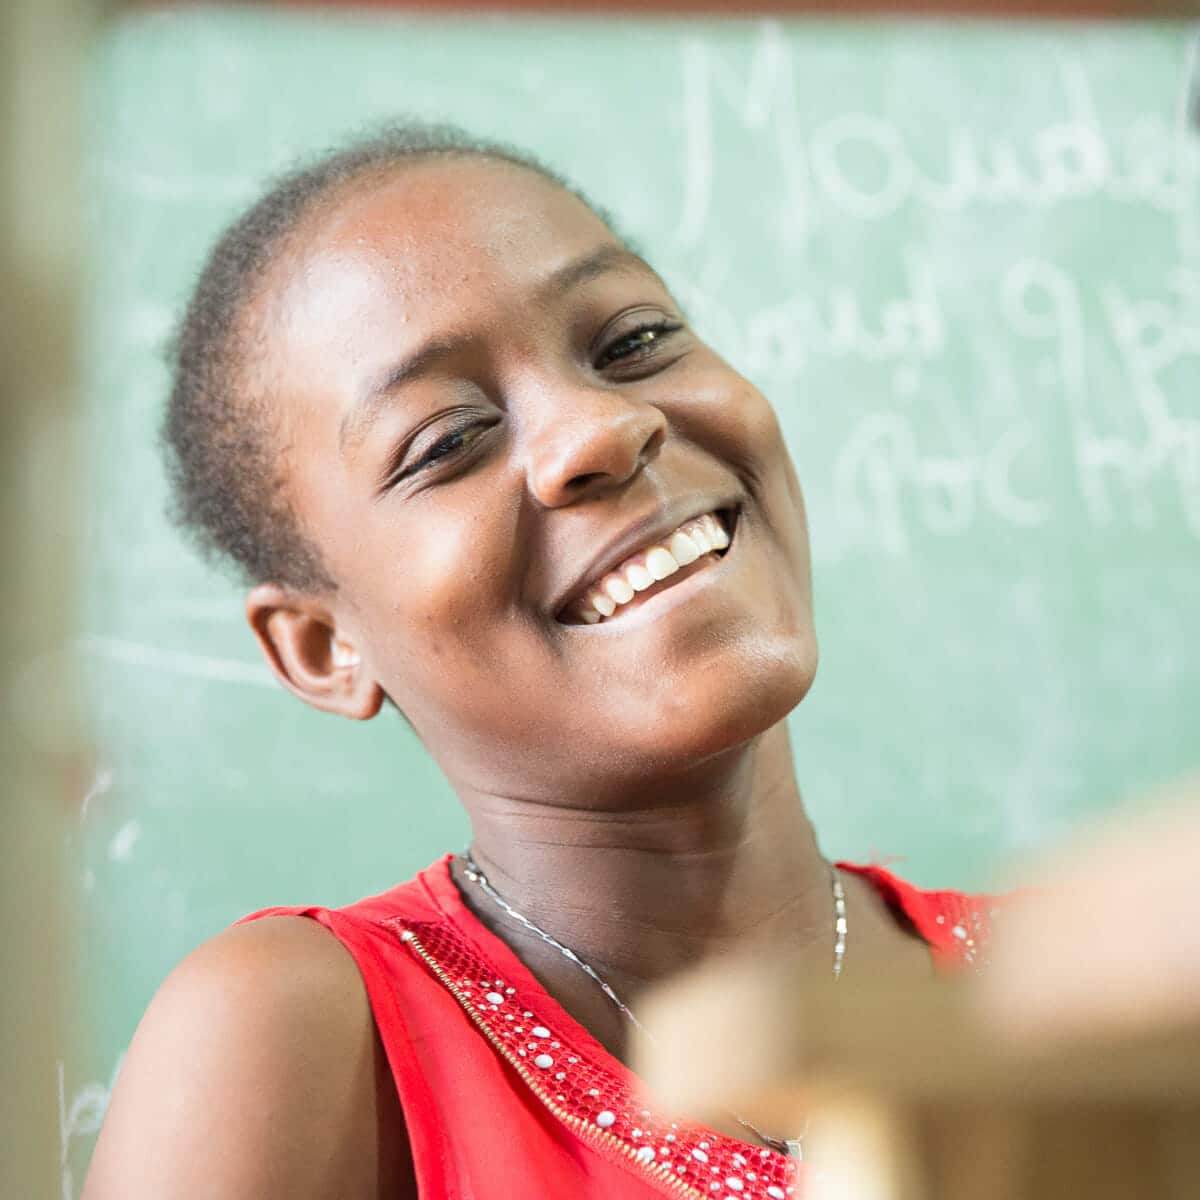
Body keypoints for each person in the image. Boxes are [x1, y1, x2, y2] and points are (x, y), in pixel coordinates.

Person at [82, 124, 1005, 1200]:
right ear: (326, 646)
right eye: (447, 441)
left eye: (633, 340)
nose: (603, 429)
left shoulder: (1094, 999)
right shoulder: (309, 1037)